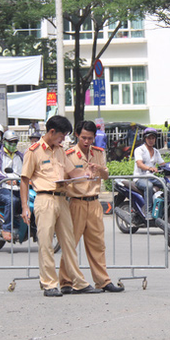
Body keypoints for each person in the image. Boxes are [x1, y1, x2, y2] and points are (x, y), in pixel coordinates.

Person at [20, 116, 102, 297]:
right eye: (62, 135)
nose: (63, 139)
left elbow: (72, 171)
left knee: (69, 242)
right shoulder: (33, 152)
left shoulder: (60, 151)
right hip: (44, 198)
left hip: (62, 199)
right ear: (51, 132)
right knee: (46, 243)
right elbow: (24, 180)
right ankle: (49, 283)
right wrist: (25, 206)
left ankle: (78, 282)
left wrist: (86, 173)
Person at [60, 121, 124, 294]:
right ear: (77, 135)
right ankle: (66, 281)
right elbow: (63, 179)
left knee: (97, 244)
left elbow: (106, 175)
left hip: (94, 202)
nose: (87, 141)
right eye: (83, 138)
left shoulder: (98, 153)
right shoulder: (69, 154)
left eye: (90, 138)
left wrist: (99, 169)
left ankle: (102, 281)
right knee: (70, 243)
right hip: (76, 202)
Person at [0, 130, 23, 241]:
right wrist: (6, 180)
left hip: (19, 187)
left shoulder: (20, 156)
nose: (13, 144)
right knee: (12, 201)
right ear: (4, 141)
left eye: (15, 142)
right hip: (2, 188)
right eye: (10, 142)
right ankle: (7, 228)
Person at [133, 128, 166, 216]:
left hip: (152, 178)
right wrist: (150, 168)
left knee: (166, 182)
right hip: (140, 178)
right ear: (145, 139)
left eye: (153, 138)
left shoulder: (156, 151)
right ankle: (148, 211)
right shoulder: (139, 150)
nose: (151, 140)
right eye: (149, 138)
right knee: (149, 186)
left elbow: (163, 164)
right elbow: (139, 164)